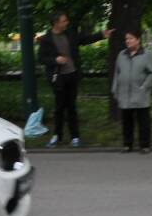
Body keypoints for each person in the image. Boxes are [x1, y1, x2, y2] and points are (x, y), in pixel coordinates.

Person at [36, 11, 112, 147]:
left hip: (72, 75)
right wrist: (55, 59)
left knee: (72, 107)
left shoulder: (70, 34)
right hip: (58, 78)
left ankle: (75, 137)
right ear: (56, 23)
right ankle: (56, 137)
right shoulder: (47, 39)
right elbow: (41, 58)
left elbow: (84, 39)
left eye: (66, 20)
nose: (67, 22)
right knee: (59, 108)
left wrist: (101, 35)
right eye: (64, 21)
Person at [112, 30, 152, 154]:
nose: (128, 41)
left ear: (138, 40)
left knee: (143, 121)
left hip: (140, 94)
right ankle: (127, 145)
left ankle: (145, 145)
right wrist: (115, 89)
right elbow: (117, 73)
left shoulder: (147, 54)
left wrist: (144, 86)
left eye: (131, 38)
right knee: (127, 121)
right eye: (126, 39)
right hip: (124, 93)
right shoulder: (121, 55)